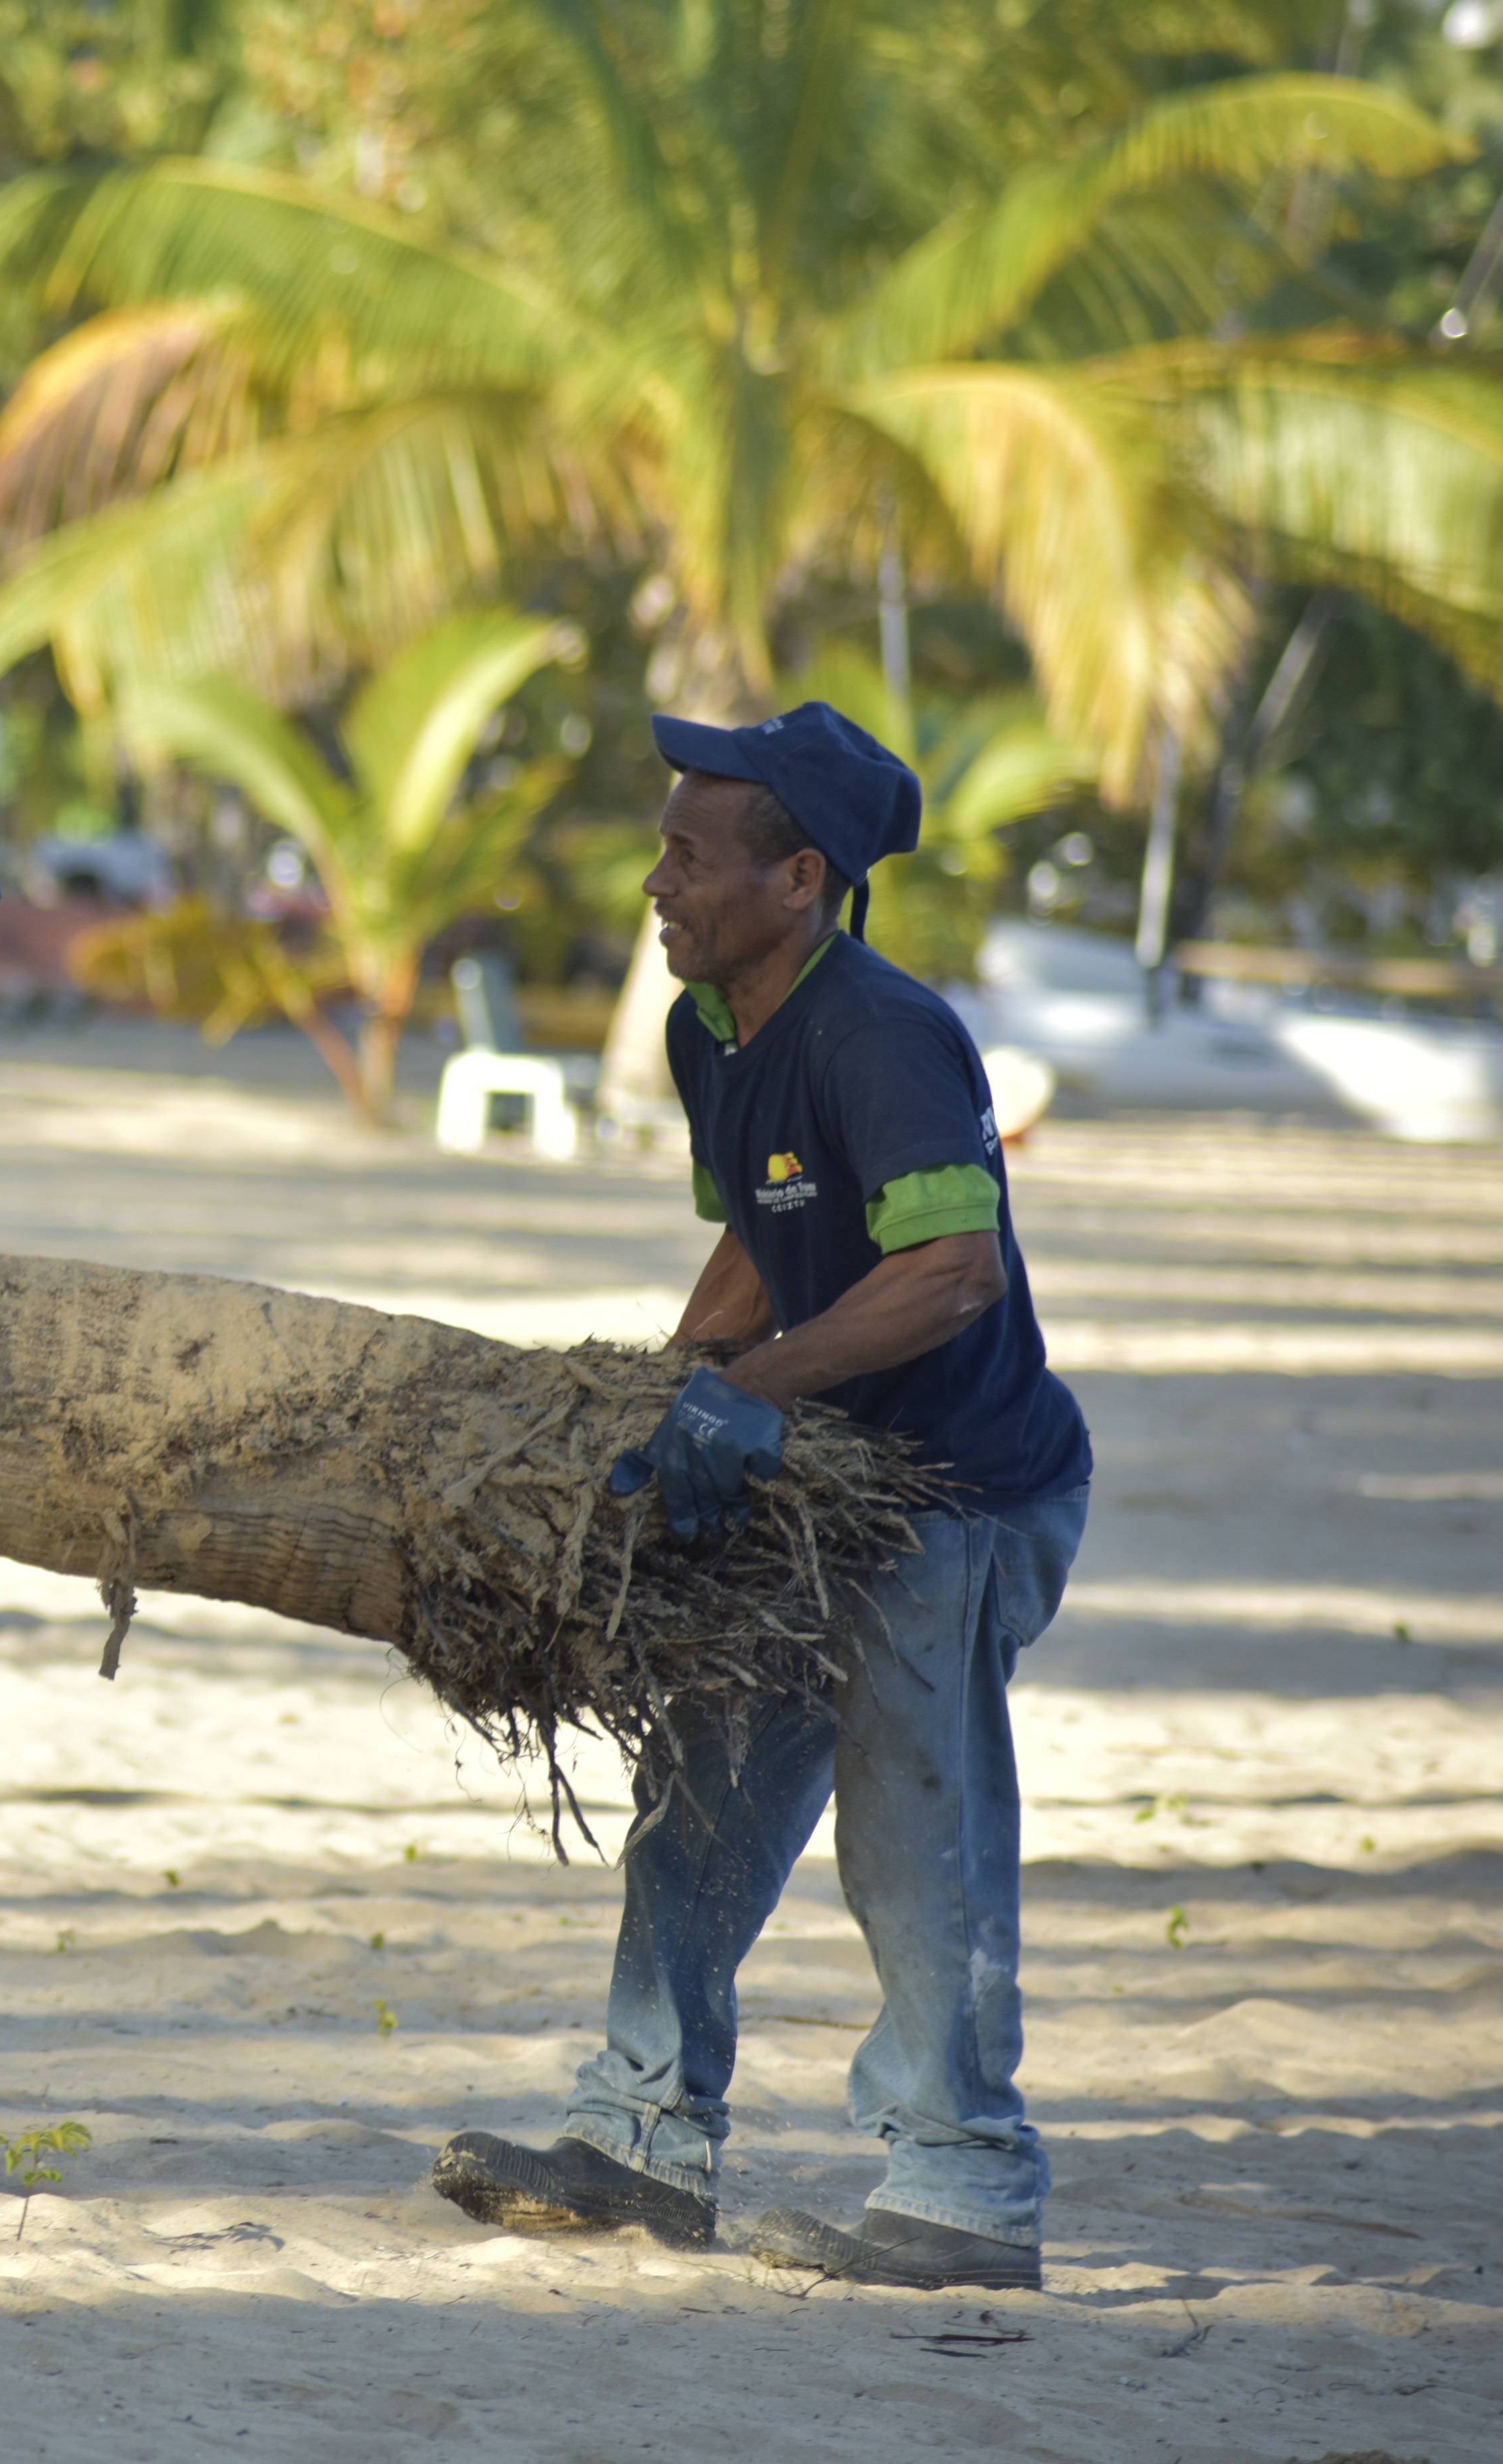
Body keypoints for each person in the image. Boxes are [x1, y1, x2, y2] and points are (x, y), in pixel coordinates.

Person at [429, 704, 1095, 2290]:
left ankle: (967, 2189)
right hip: (828, 1474)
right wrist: (658, 1390)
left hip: (964, 1492)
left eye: (687, 854)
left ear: (801, 877)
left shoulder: (881, 1033)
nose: (654, 880)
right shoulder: (707, 1028)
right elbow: (761, 1239)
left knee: (911, 1826)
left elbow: (949, 1270)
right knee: (704, 1788)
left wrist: (757, 1390)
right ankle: (641, 2139)